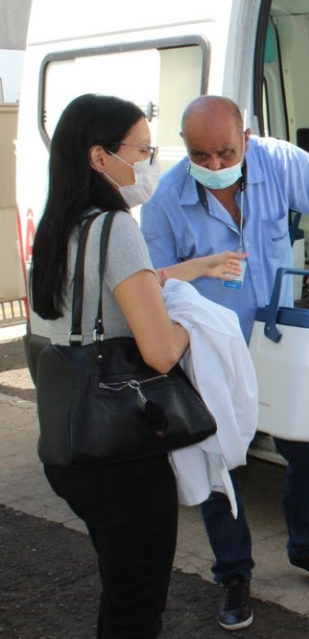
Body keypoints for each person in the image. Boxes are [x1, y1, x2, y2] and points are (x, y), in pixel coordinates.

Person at [141, 95, 309, 631]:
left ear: (245, 140)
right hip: (209, 354)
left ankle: (308, 548)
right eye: (202, 155)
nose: (216, 166)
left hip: (278, 344)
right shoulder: (165, 202)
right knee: (223, 465)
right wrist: (197, 268)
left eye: (226, 152)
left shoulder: (276, 161)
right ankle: (233, 574)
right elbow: (147, 285)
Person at [29, 93, 185, 638]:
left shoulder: (56, 227)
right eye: (142, 150)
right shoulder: (116, 229)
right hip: (122, 454)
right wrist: (197, 327)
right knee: (135, 608)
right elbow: (162, 350)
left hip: (71, 444)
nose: (149, 163)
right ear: (101, 158)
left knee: (121, 588)